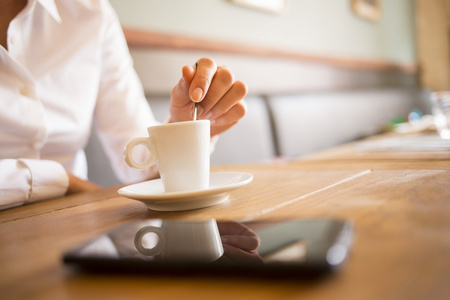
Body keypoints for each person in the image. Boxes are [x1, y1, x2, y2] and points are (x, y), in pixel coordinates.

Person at [0, 0, 247, 210]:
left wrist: (181, 131)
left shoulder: (92, 13)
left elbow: (137, 160)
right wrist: (59, 180)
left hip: (79, 222)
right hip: (82, 206)